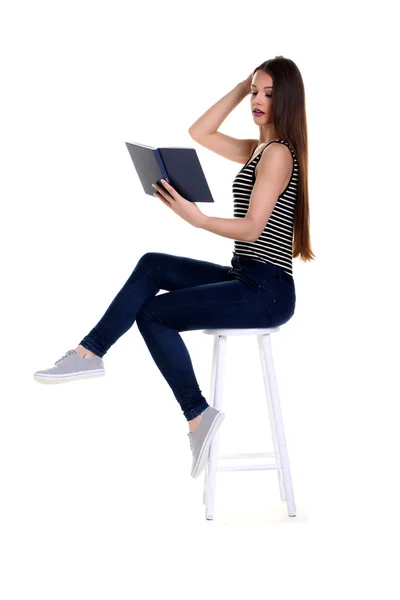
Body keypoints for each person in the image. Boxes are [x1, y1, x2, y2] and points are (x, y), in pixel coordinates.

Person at [33, 56, 315, 479]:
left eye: (268, 94)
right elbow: (199, 132)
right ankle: (88, 353)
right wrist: (242, 85)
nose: (257, 100)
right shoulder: (258, 148)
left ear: (287, 100)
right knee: (153, 266)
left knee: (154, 314)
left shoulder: (277, 155)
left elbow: (253, 227)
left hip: (266, 291)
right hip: (246, 276)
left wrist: (197, 218)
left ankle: (198, 416)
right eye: (255, 91)